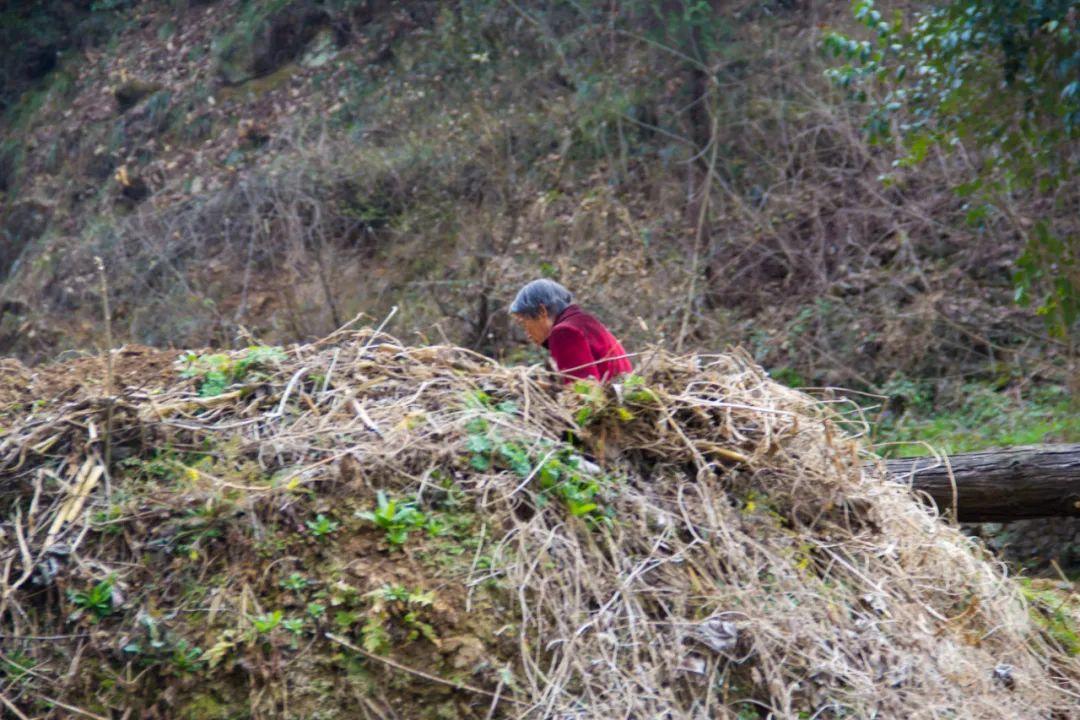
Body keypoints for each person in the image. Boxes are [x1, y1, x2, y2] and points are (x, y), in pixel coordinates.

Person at [509, 279, 632, 383]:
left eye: (523, 322)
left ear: (542, 311)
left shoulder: (564, 332)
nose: (527, 334)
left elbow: (582, 394)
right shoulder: (583, 322)